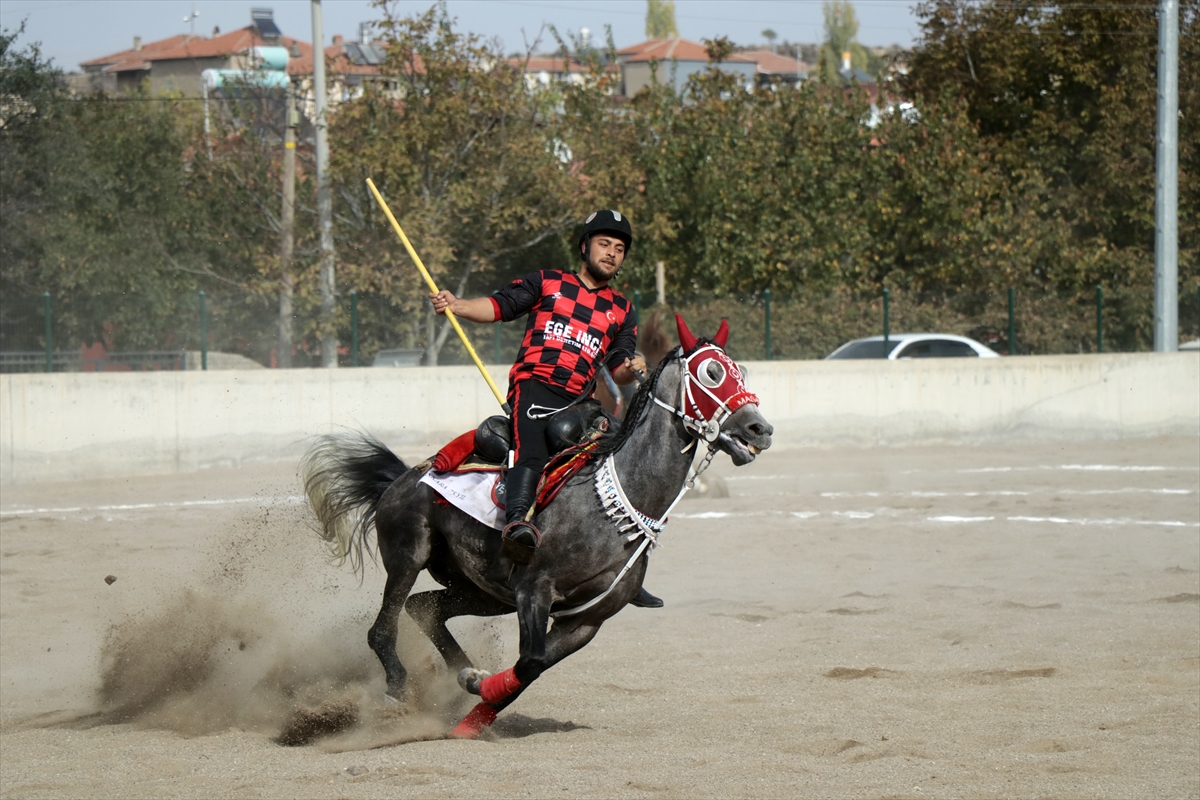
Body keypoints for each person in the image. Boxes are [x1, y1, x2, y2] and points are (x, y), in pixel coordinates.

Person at [430, 209, 663, 608]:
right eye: (604, 244)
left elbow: (618, 367)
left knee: (621, 456)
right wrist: (459, 305)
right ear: (585, 247)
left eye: (619, 248)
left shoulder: (621, 309)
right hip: (534, 389)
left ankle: (626, 565)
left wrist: (633, 366)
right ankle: (517, 525)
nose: (612, 253)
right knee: (532, 451)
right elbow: (499, 306)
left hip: (580, 402)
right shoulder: (548, 282)